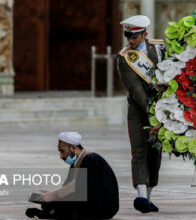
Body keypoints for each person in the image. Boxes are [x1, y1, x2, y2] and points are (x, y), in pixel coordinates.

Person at [117, 15, 165, 213]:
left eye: (134, 36)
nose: (130, 40)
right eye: (128, 35)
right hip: (138, 110)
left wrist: (165, 112)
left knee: (155, 153)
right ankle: (141, 196)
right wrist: (154, 116)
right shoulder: (124, 58)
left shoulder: (159, 48)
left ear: (144, 35)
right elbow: (136, 90)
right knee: (139, 151)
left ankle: (149, 197)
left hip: (162, 109)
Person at [25, 132, 119, 219]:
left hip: (103, 207)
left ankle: (50, 213)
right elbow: (67, 188)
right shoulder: (75, 164)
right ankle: (53, 209)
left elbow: (80, 187)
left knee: (60, 204)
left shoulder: (91, 159)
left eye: (62, 151)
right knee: (46, 201)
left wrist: (54, 195)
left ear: (73, 148)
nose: (61, 156)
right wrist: (51, 197)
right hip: (88, 202)